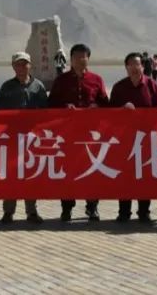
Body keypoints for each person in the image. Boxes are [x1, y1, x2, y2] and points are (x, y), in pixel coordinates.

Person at [49, 43, 109, 222]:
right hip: (67, 133)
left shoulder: (97, 79)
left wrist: (96, 106)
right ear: (71, 60)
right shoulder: (61, 80)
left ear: (88, 59)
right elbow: (51, 104)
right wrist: (64, 107)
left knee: (91, 170)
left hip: (91, 135)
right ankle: (67, 208)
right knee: (68, 170)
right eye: (76, 57)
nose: (80, 60)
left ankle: (92, 207)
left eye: (84, 56)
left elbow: (106, 104)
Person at [109, 52, 157, 223]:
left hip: (146, 140)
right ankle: (124, 212)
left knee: (144, 177)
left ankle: (144, 211)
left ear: (143, 66)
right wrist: (121, 110)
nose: (134, 67)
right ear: (126, 67)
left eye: (137, 64)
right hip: (125, 139)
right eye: (130, 64)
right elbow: (109, 113)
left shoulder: (151, 85)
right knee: (125, 176)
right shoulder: (119, 87)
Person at [0, 52, 48, 224]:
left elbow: (46, 112)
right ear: (13, 67)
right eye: (18, 64)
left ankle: (31, 212)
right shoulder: (6, 87)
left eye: (24, 64)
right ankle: (8, 212)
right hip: (11, 139)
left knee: (30, 175)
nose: (21, 67)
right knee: (11, 175)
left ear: (30, 66)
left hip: (32, 139)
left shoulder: (38, 86)